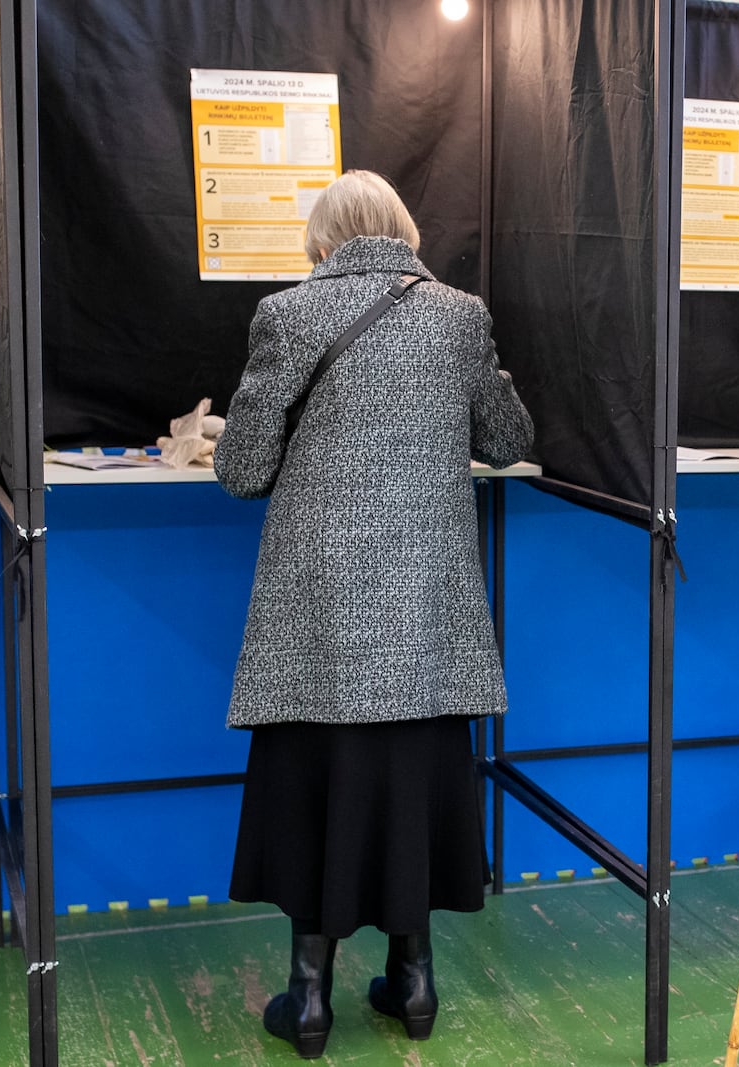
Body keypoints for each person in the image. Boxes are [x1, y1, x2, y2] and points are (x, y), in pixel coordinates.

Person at [214, 170, 534, 1059]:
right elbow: (510, 439)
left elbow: (240, 471)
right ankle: (416, 984)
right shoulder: (460, 314)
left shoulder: (284, 314)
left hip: (317, 620)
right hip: (425, 620)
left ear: (321, 245)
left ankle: (308, 998)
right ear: (406, 235)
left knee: (314, 788)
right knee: (413, 790)